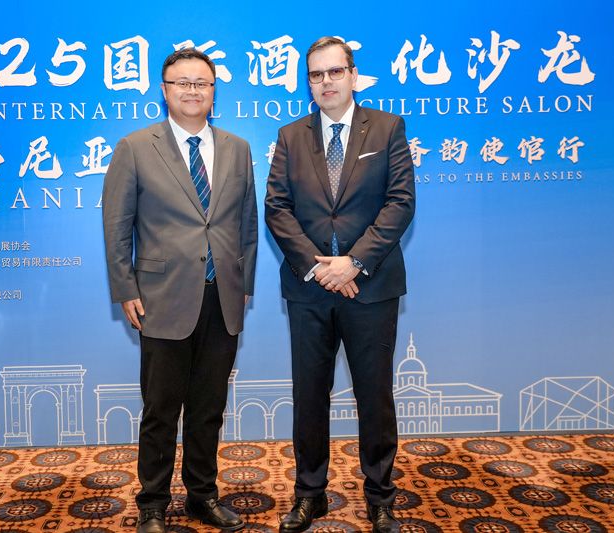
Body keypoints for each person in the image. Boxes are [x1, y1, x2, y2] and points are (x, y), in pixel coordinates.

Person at [102, 48, 257, 533]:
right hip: (161, 297)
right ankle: (152, 503)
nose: (193, 90)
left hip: (222, 297)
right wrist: (125, 286)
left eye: (202, 83)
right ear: (164, 90)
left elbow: (247, 225)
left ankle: (202, 495)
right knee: (161, 409)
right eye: (182, 82)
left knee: (209, 408)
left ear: (214, 91)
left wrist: (244, 284)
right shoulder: (135, 147)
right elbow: (117, 225)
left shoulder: (237, 148)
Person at [265, 37, 415, 533]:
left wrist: (353, 263)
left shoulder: (387, 128)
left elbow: (400, 203)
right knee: (310, 396)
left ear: (353, 75)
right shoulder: (290, 137)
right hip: (309, 289)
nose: (326, 82)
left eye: (334, 71)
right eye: (316, 74)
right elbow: (277, 209)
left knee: (375, 396)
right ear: (308, 83)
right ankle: (309, 495)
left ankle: (381, 497)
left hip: (370, 287)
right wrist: (321, 268)